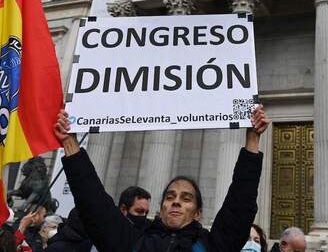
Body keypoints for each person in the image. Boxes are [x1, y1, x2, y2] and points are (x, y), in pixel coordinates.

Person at [54, 105, 270, 252]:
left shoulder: (211, 246)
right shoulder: (134, 241)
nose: (176, 201)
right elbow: (93, 204)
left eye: (186, 198)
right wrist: (70, 143)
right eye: (170, 196)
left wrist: (252, 139)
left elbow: (239, 204)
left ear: (198, 213)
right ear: (162, 207)